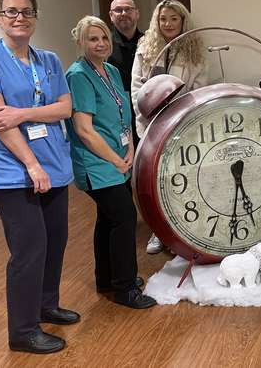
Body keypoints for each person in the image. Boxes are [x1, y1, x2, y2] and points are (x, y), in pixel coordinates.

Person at [0, 0, 78, 354]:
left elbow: (65, 108)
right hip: (14, 172)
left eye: (26, 11)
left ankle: (46, 304)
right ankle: (23, 331)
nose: (19, 17)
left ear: (35, 17)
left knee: (55, 242)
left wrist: (23, 112)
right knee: (29, 249)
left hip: (54, 166)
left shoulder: (50, 60)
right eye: (10, 12)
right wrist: (31, 163)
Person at [65, 16, 156, 310]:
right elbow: (84, 130)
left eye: (104, 37)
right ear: (81, 42)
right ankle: (125, 288)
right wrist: (116, 158)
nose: (100, 43)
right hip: (96, 162)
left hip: (118, 157)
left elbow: (123, 113)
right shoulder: (78, 75)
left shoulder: (113, 71)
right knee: (124, 217)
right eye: (93, 39)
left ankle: (107, 277)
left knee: (108, 218)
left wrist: (129, 147)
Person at [131, 0, 208, 254]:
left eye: (174, 19)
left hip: (181, 124)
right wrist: (145, 116)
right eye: (163, 18)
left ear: (183, 20)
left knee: (184, 179)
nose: (168, 24)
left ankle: (180, 233)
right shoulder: (146, 46)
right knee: (157, 179)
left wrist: (182, 118)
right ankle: (159, 231)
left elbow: (199, 88)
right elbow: (136, 86)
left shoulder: (194, 49)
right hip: (152, 122)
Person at [107, 0, 143, 145]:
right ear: (111, 15)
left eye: (128, 9)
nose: (123, 13)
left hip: (145, 111)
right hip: (117, 116)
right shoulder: (105, 44)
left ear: (137, 13)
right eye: (118, 10)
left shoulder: (150, 42)